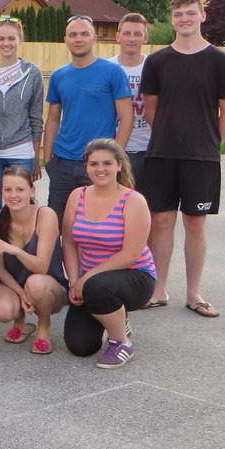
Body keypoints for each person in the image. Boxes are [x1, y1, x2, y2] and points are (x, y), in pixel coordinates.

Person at [141, 0, 225, 316]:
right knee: (161, 222)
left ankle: (194, 294)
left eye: (190, 13)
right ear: (172, 19)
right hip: (162, 154)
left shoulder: (220, 61)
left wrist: (208, 142)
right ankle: (158, 290)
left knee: (195, 224)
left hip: (201, 158)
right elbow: (151, 111)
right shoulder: (157, 61)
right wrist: (171, 136)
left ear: (202, 15)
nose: (184, 19)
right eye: (178, 14)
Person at [61, 139, 156, 368]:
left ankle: (121, 343)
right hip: (92, 282)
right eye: (94, 164)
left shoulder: (133, 201)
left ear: (119, 165)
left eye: (107, 163)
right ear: (86, 167)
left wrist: (86, 279)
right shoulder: (77, 196)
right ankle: (116, 318)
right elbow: (69, 242)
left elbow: (130, 254)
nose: (100, 169)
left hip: (135, 276)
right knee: (80, 346)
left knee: (98, 286)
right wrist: (74, 282)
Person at [42, 15, 132, 220]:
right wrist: (48, 160)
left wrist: (114, 158)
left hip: (97, 162)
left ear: (94, 38)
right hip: (63, 162)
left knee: (96, 221)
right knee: (56, 221)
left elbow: (127, 118)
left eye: (84, 34)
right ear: (65, 40)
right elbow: (53, 119)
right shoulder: (58, 76)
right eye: (73, 35)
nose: (78, 39)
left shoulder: (113, 72)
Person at [0, 165, 67, 355]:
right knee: (3, 311)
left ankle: (44, 325)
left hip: (48, 287)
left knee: (36, 283)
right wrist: (21, 293)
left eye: (20, 189)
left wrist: (15, 251)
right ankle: (19, 320)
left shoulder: (45, 215)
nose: (13, 195)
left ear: (32, 191)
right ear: (1, 192)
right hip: (14, 285)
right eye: (8, 189)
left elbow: (41, 267)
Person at [0, 16, 45, 214]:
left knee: (21, 207)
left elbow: (36, 118)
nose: (6, 43)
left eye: (11, 38)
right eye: (1, 38)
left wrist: (36, 157)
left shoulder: (32, 73)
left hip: (21, 149)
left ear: (20, 39)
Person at [110, 13, 151, 186]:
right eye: (126, 33)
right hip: (114, 147)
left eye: (137, 34)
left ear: (145, 38)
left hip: (148, 148)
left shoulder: (154, 67)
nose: (132, 39)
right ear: (117, 36)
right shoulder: (107, 68)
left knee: (147, 201)